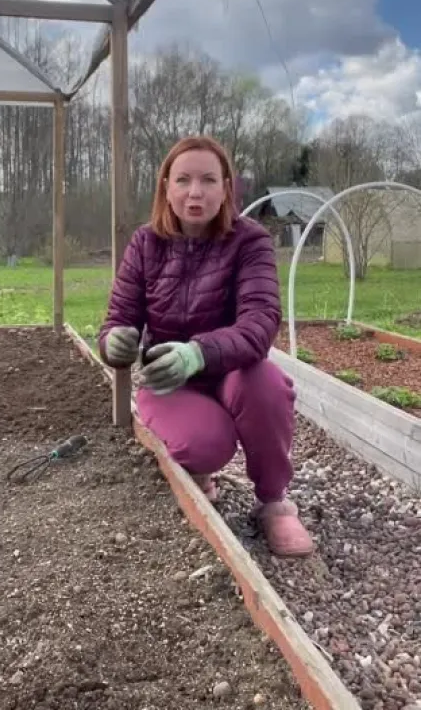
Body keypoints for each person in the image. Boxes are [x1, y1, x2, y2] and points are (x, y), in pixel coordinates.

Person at [98, 136, 313, 558]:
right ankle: (200, 469)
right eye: (183, 180)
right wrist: (115, 342)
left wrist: (196, 353)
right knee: (205, 444)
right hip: (171, 382)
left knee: (266, 384)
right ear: (166, 187)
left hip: (233, 372)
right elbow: (118, 321)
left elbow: (260, 322)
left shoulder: (249, 242)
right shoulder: (145, 244)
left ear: (226, 188)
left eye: (208, 180)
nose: (195, 192)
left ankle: (274, 502)